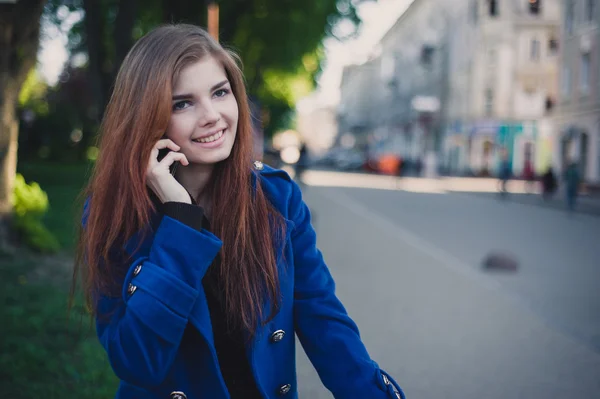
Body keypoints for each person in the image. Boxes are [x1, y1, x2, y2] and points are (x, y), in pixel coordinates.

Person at [72, 24, 405, 399]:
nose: (213, 115)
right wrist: (180, 220)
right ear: (147, 117)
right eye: (183, 103)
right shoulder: (115, 214)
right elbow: (138, 362)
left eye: (220, 92)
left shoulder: (275, 197)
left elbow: (324, 321)